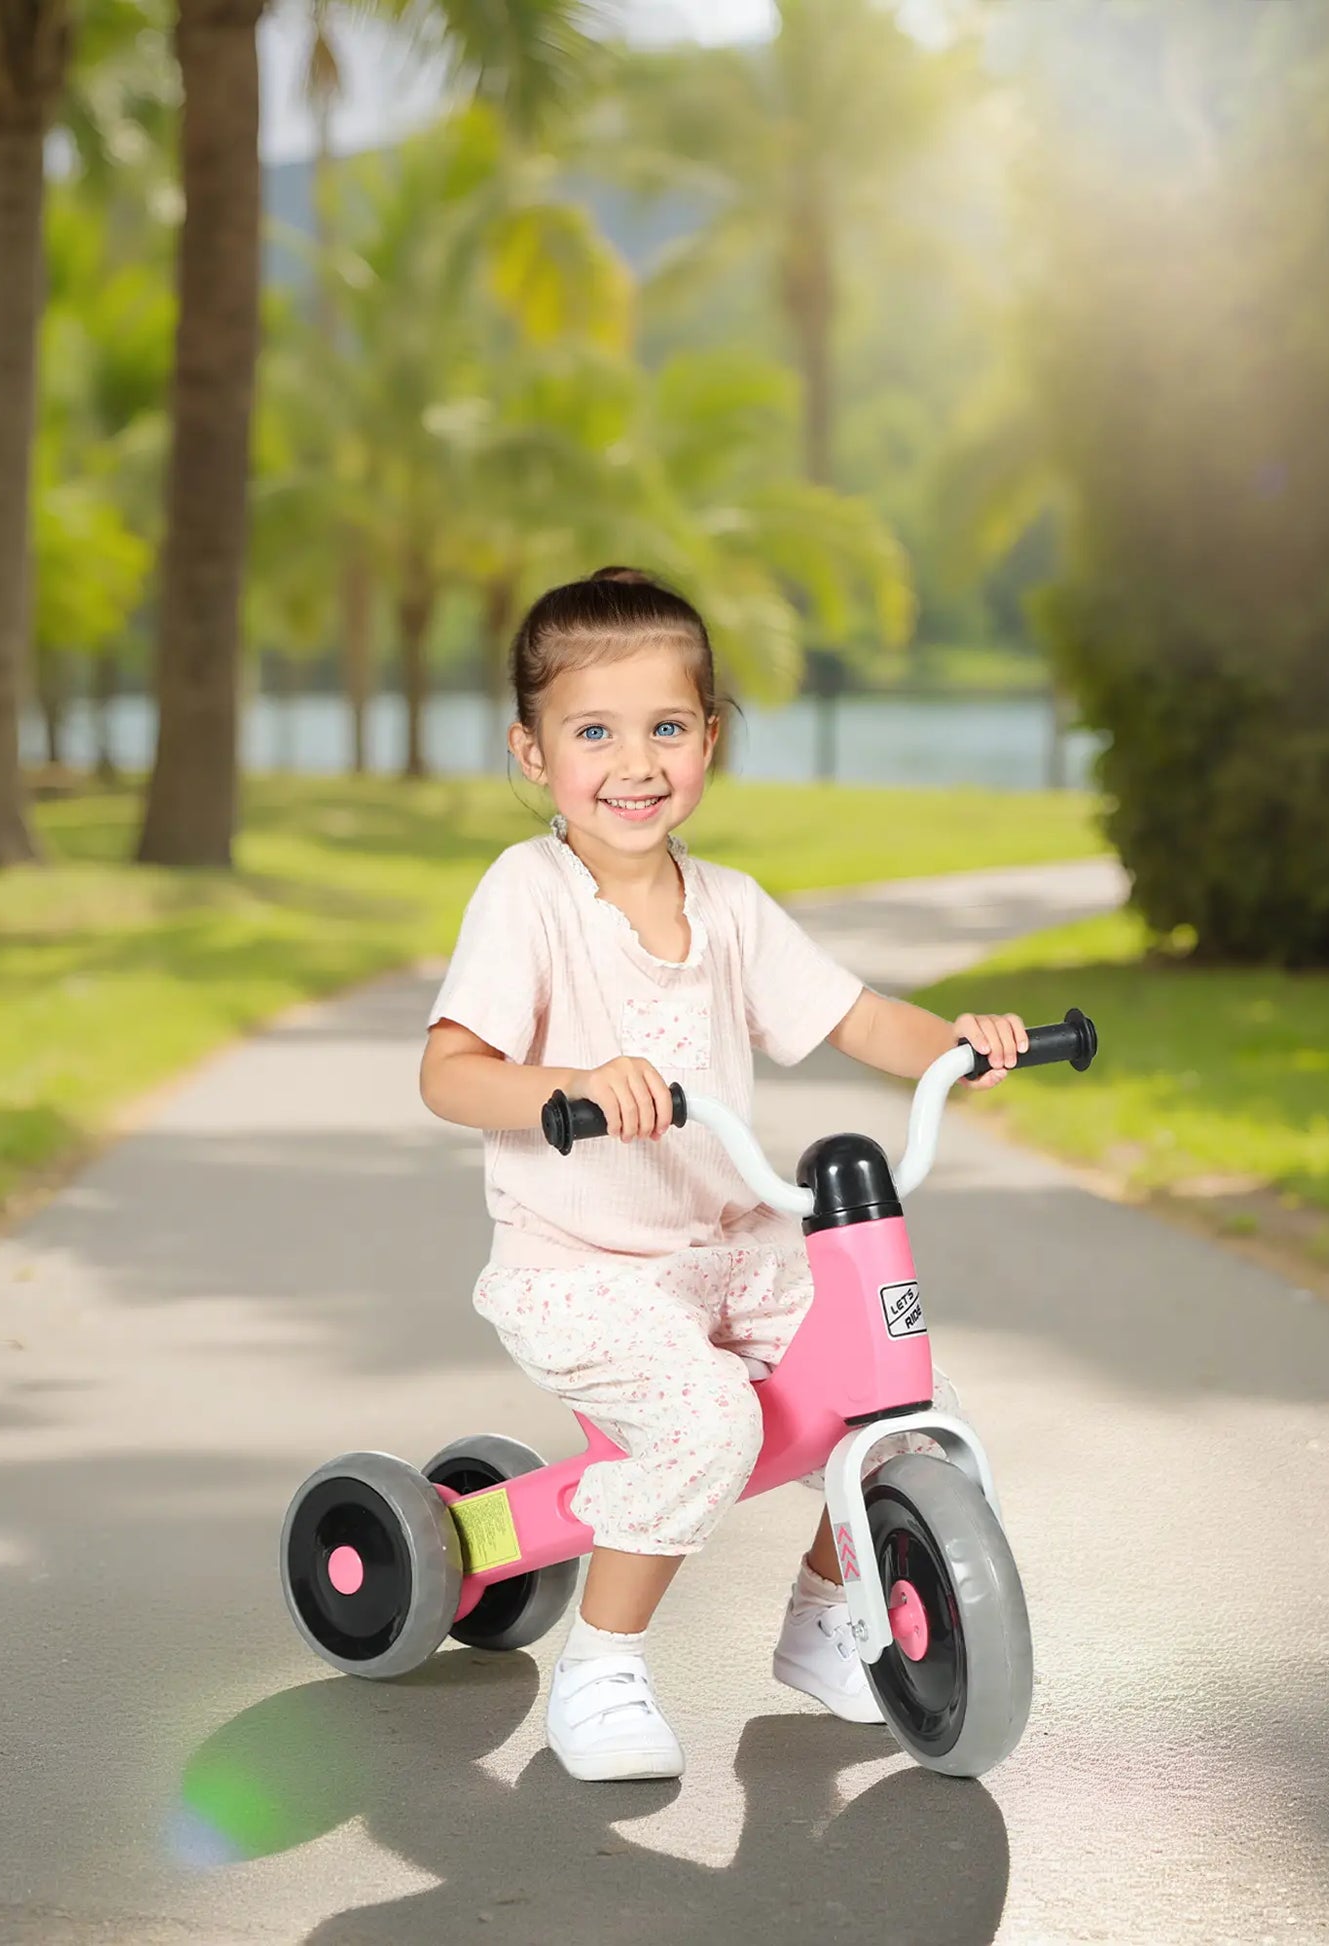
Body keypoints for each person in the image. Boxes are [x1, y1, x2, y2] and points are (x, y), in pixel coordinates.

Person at [420, 567, 1028, 1783]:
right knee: (706, 1420)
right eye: (592, 730)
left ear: (709, 738)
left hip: (731, 1257)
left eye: (665, 726)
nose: (632, 761)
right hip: (581, 1270)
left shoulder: (733, 909)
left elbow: (857, 1018)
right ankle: (598, 1663)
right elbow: (449, 1071)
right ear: (532, 755)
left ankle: (824, 1624)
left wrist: (958, 1046)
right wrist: (568, 1085)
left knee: (910, 1402)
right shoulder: (527, 896)